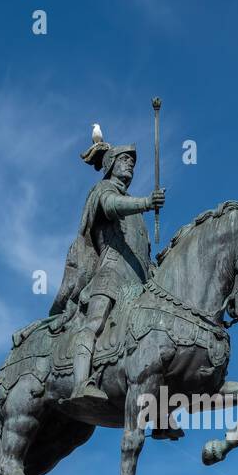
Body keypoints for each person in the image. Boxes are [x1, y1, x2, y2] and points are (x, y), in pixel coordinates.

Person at [50, 130, 165, 404]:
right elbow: (112, 207)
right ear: (112, 164)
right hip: (111, 274)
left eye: (133, 163)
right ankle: (80, 383)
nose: (130, 166)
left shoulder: (136, 219)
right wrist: (146, 203)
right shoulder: (103, 191)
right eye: (125, 160)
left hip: (138, 282)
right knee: (95, 322)